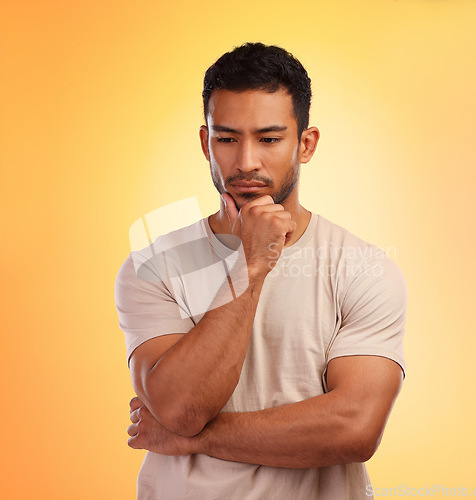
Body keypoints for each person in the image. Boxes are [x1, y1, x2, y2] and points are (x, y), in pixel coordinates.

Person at [114, 42, 407, 500]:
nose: (246, 160)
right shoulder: (154, 267)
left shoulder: (361, 268)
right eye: (227, 138)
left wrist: (199, 440)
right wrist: (251, 265)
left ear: (305, 144)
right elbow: (180, 409)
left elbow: (354, 429)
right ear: (205, 142)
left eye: (269, 139)